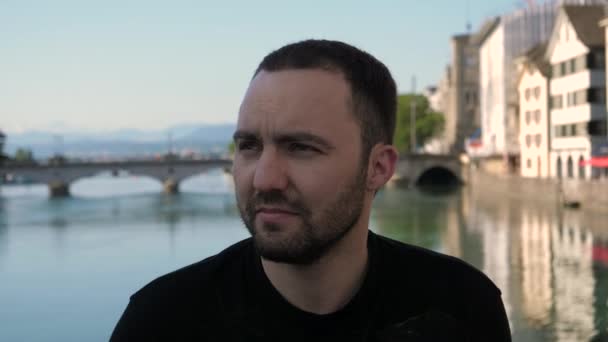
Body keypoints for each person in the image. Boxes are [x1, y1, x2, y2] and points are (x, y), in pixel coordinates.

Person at [111, 39, 511, 341]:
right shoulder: (162, 321)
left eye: (301, 148)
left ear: (378, 167)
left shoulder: (462, 306)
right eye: (248, 146)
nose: (265, 179)